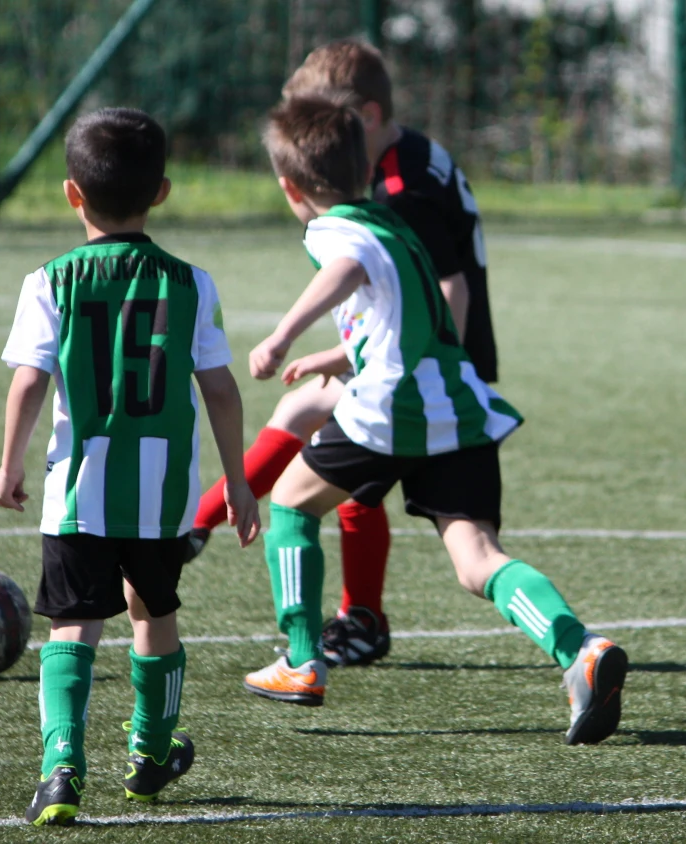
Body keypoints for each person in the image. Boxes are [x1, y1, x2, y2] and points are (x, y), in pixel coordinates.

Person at [240, 96, 627, 747]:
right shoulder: (397, 227)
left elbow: (344, 269)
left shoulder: (334, 228)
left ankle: (302, 660)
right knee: (477, 559)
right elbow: (408, 317)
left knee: (290, 501)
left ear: (290, 186)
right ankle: (580, 648)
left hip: (392, 408)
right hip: (457, 403)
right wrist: (332, 354)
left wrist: (280, 336)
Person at [188, 38, 501, 671]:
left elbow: (449, 287)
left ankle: (355, 615)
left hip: (432, 371)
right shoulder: (399, 159)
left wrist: (412, 371)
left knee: (337, 462)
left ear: (368, 114)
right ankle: (198, 528)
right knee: (309, 414)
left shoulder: (403, 184)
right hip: (418, 361)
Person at [0, 107, 261, 826]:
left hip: (77, 492)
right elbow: (223, 389)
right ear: (162, 191)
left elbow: (28, 381)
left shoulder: (49, 280)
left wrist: (9, 464)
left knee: (73, 624)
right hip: (163, 497)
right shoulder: (192, 283)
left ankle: (60, 771)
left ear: (72, 193)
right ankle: (150, 752)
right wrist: (235, 481)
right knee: (155, 611)